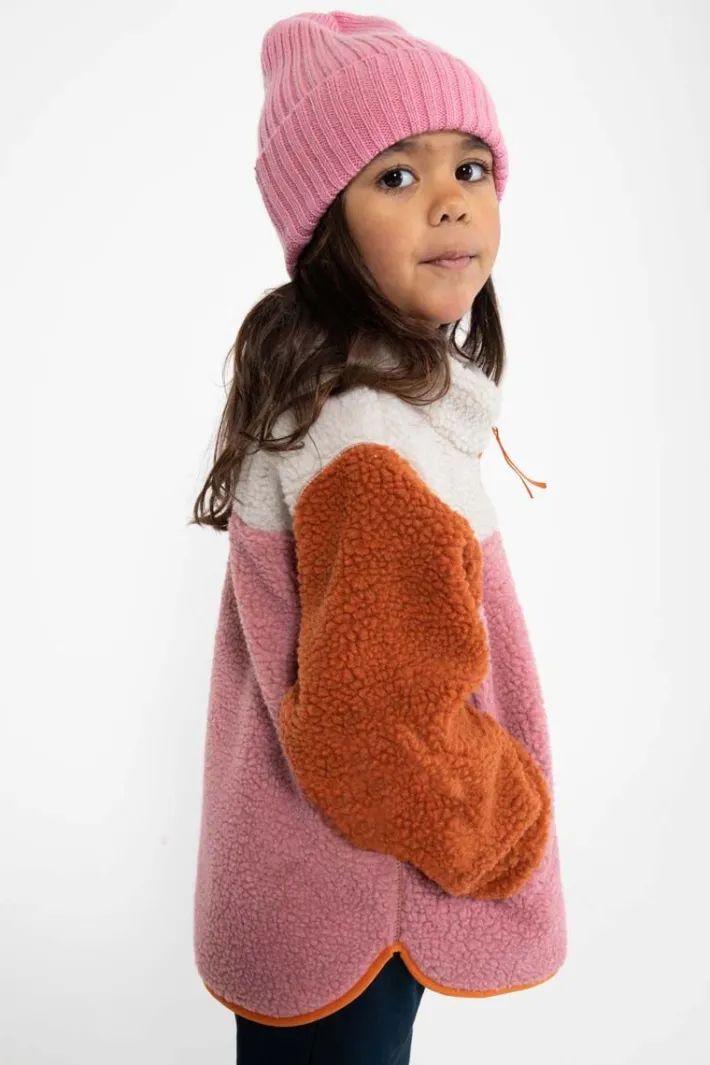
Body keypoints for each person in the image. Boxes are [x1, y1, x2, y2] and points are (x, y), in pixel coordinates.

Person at [190, 11, 568, 1063]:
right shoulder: (369, 433)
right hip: (357, 906)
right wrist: (504, 825)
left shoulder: (349, 397)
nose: (451, 199)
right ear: (325, 227)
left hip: (310, 894)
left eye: (471, 166)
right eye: (395, 176)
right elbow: (370, 729)